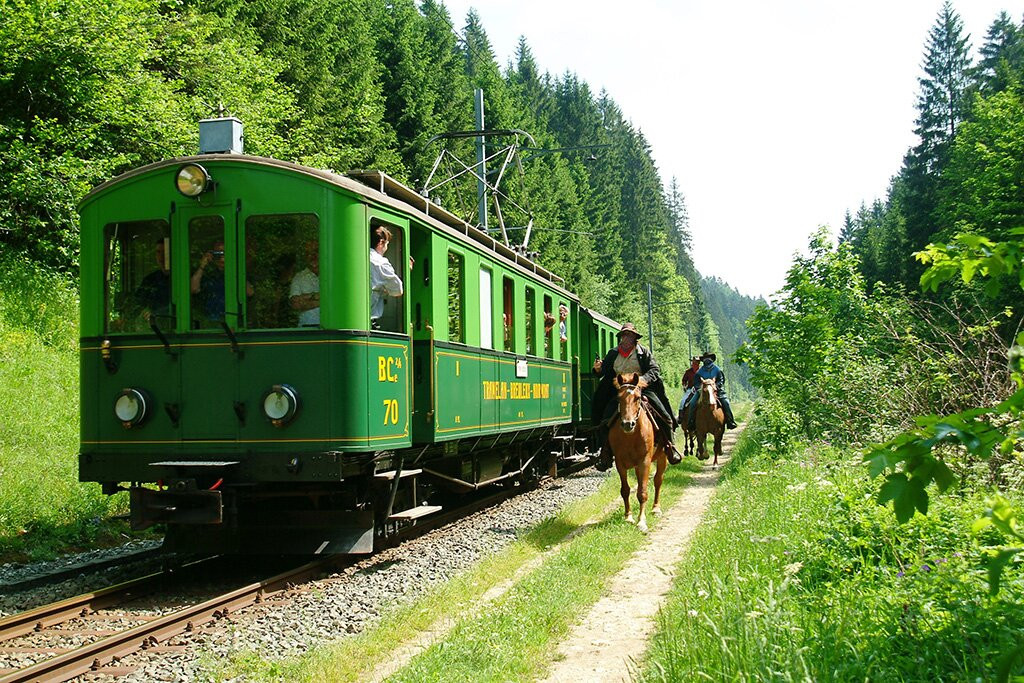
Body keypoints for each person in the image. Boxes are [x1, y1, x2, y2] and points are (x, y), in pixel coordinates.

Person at [591, 322, 681, 471]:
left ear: (634, 338)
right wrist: (597, 369)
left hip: (642, 389)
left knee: (664, 415)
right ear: (621, 337)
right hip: (620, 391)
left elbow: (654, 369)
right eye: (624, 335)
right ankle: (605, 453)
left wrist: (643, 380)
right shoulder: (613, 353)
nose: (626, 339)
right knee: (605, 418)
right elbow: (604, 371)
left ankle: (670, 447)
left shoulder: (643, 352)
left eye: (630, 336)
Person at [687, 352, 738, 430]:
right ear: (703, 360)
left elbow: (721, 380)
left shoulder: (717, 370)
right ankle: (691, 423)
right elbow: (696, 382)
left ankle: (730, 421)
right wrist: (701, 388)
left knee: (726, 402)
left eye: (709, 358)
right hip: (702, 391)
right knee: (692, 403)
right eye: (705, 358)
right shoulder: (699, 372)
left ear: (712, 359)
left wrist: (715, 387)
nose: (707, 360)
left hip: (716, 390)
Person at [369, 225, 407, 329]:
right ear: (381, 242)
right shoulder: (380, 262)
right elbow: (398, 290)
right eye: (387, 244)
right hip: (370, 321)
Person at [191, 241, 227, 323]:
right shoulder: (208, 276)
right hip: (208, 323)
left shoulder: (237, 274)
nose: (221, 257)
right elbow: (193, 289)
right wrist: (202, 265)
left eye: (224, 253)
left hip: (230, 323)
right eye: (218, 253)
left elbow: (249, 292)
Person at [136, 239, 171, 323]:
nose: (161, 256)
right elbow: (138, 304)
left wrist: (156, 313)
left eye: (165, 252)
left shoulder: (182, 279)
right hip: (155, 331)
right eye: (158, 252)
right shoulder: (149, 280)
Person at [289, 240, 320, 326]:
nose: (312, 256)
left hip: (332, 329)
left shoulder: (333, 275)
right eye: (307, 253)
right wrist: (319, 297)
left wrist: (305, 298)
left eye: (315, 251)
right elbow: (295, 304)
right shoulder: (299, 278)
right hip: (306, 330)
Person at [677, 356, 701, 425]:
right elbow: (684, 380)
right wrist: (684, 386)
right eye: (693, 362)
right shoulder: (688, 372)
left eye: (696, 362)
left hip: (700, 389)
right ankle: (680, 417)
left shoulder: (701, 371)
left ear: (698, 363)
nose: (694, 364)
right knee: (683, 401)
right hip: (690, 389)